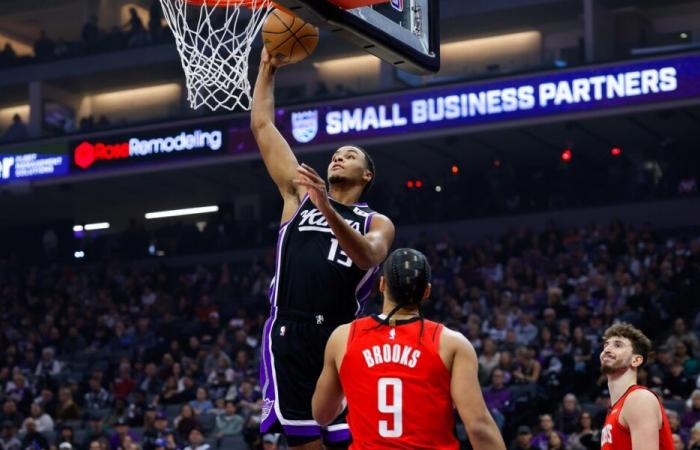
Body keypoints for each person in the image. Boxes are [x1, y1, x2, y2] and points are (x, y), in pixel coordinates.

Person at [251, 48, 395, 448]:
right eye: (335, 154)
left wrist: (327, 208)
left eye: (349, 156)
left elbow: (368, 256)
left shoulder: (375, 221)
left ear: (366, 175)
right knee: (304, 442)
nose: (338, 157)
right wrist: (267, 68)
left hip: (340, 335)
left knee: (351, 439)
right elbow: (263, 126)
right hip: (289, 328)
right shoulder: (298, 195)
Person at [312, 248, 505, 449]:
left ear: (382, 284)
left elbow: (322, 414)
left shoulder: (342, 337)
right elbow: (478, 427)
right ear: (427, 291)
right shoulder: (451, 343)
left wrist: (349, 397)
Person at [599, 323, 674, 449]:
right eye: (606, 344)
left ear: (636, 360)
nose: (606, 349)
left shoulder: (639, 399)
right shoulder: (615, 408)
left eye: (618, 345)